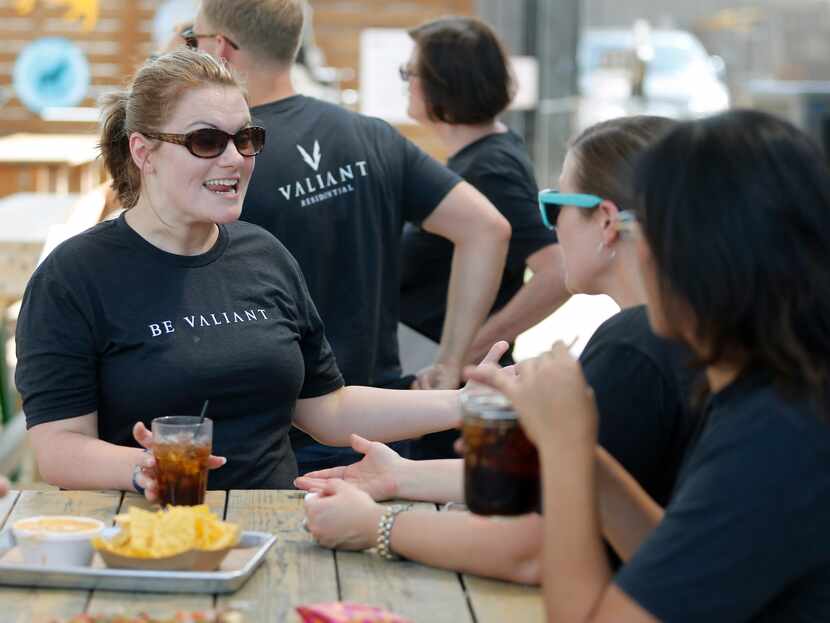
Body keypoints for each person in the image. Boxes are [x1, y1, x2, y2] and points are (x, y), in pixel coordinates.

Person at [13, 49, 469, 501]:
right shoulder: (72, 277)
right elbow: (58, 447)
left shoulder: (264, 254)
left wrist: (466, 403)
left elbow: (327, 409)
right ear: (143, 151)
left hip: (277, 528)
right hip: (143, 540)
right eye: (207, 141)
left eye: (246, 138)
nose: (235, 158)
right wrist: (145, 467)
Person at [297, 116, 702, 583]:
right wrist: (402, 475)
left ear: (606, 221)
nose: (551, 230)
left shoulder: (634, 348)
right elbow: (562, 481)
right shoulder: (679, 333)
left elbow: (531, 548)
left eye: (553, 207)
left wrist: (376, 527)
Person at [468, 109, 830, 620]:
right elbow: (678, 561)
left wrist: (568, 448)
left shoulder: (780, 436)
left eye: (653, 234)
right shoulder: (772, 391)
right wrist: (572, 443)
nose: (642, 256)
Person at [189, 0, 511, 473]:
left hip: (277, 436)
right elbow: (487, 227)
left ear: (221, 47)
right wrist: (450, 361)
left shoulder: (220, 161)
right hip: (381, 424)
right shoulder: (369, 135)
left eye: (191, 42)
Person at [398, 16, 569, 459]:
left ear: (444, 83)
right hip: (437, 373)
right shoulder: (478, 157)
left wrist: (467, 352)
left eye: (409, 73)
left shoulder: (491, 168)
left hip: (455, 381)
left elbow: (557, 272)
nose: (405, 83)